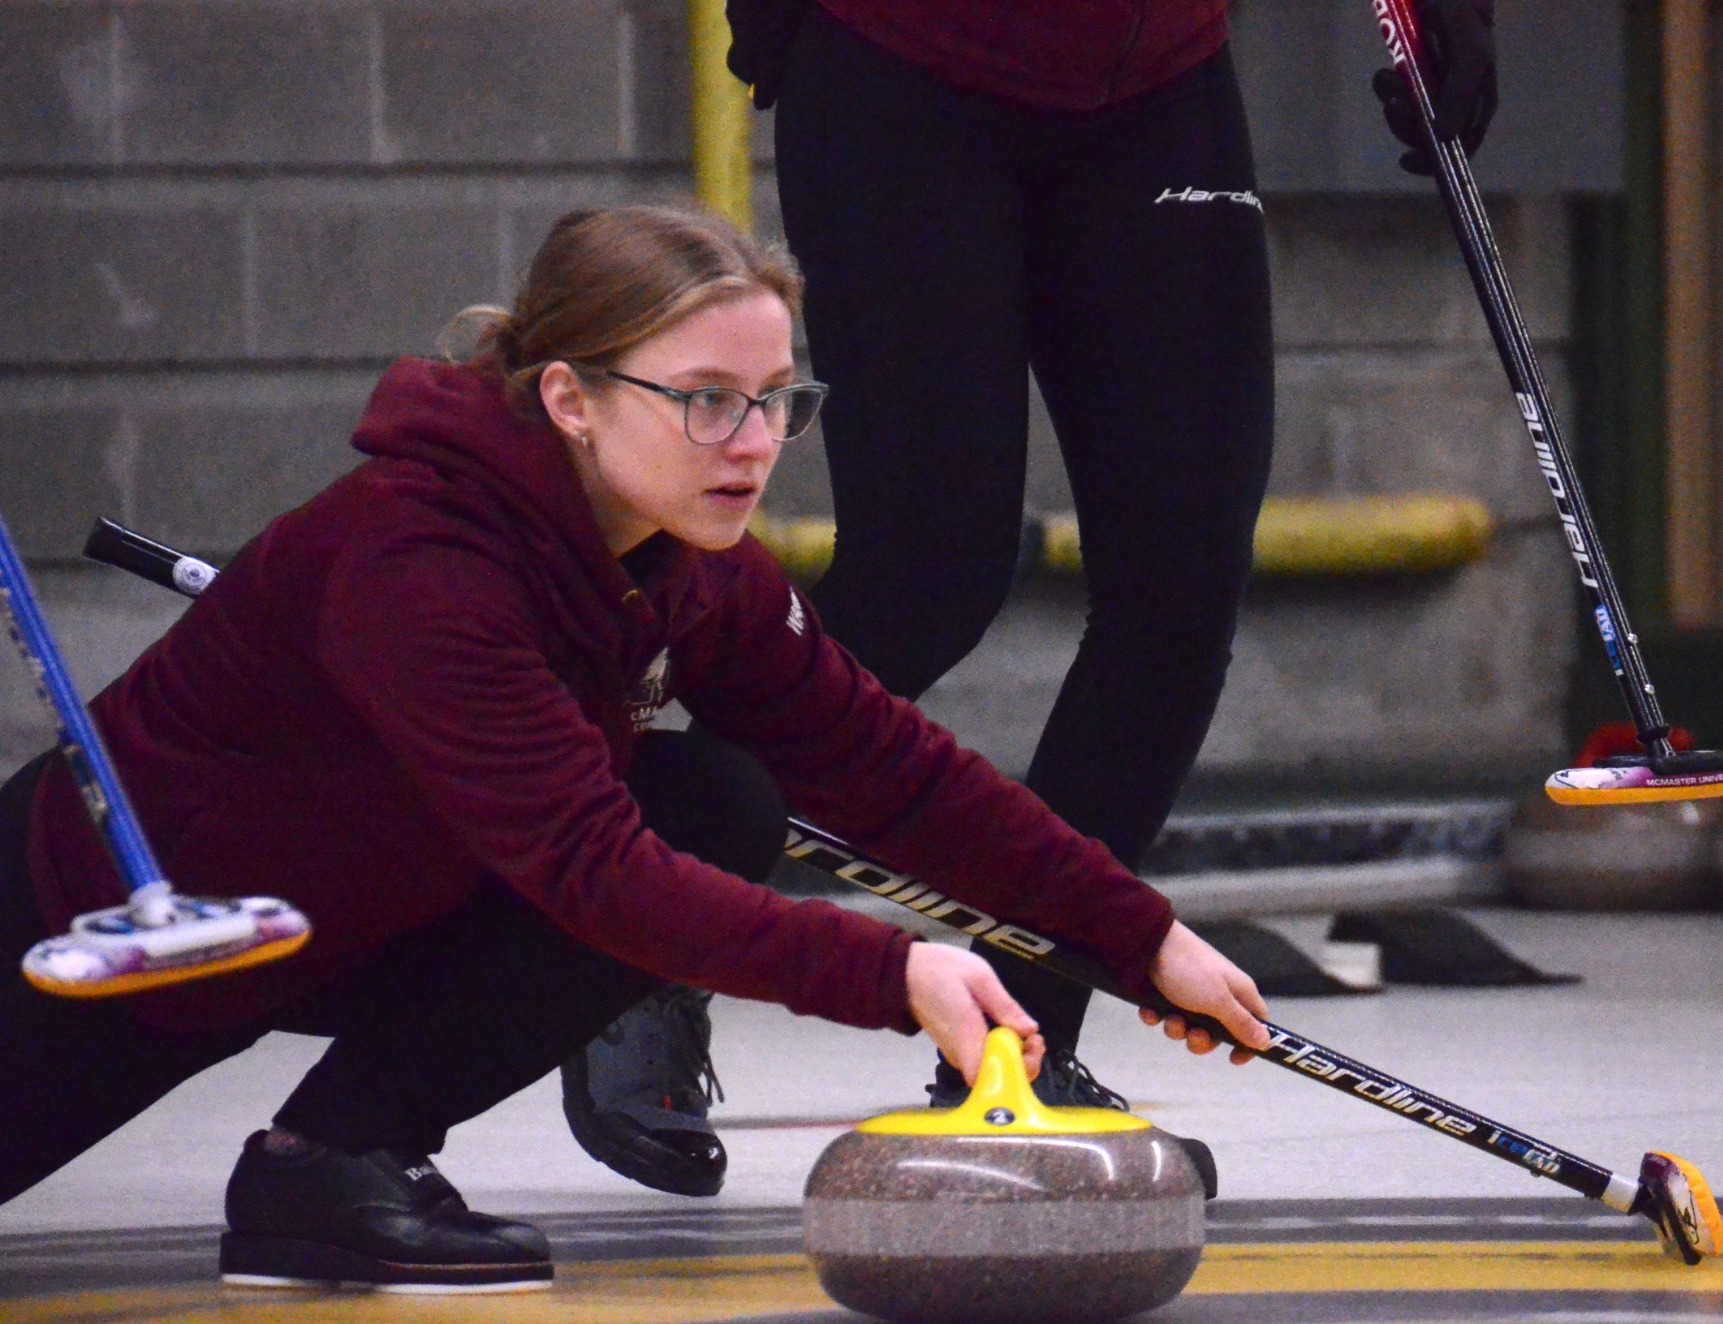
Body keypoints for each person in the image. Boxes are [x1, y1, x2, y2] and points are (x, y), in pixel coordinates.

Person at [0, 205, 1271, 1292]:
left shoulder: (686, 562)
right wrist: (894, 975)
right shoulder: (420, 562)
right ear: (570, 399)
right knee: (652, 836)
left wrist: (1135, 933)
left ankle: (329, 1162)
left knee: (710, 795)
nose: (755, 444)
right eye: (708, 402)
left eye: (778, 403)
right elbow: (589, 871)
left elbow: (889, 767)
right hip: (98, 943)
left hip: (342, 924)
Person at [567, 0, 1497, 1197]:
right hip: (905, 61)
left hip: (1155, 77)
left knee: (1177, 595)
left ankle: (1022, 1049)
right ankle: (640, 931)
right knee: (928, 575)